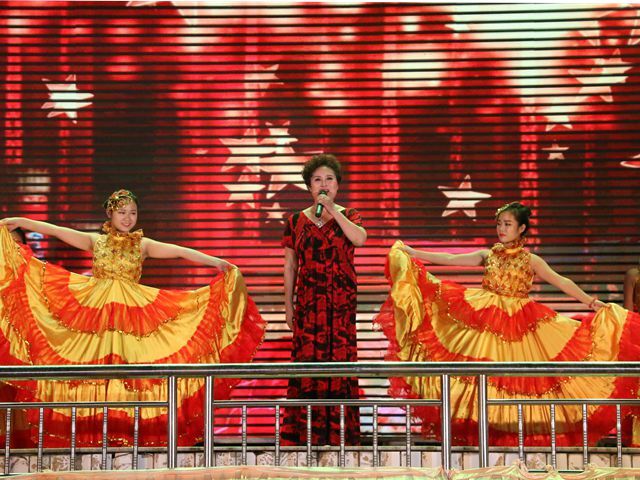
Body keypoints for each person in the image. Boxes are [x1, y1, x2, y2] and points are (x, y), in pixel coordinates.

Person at [0, 189, 267, 447]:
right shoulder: (95, 241)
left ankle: (129, 432)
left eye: (132, 213)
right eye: (122, 212)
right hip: (97, 315)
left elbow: (180, 251)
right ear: (110, 214)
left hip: (133, 316)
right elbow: (56, 231)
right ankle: (93, 430)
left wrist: (217, 262)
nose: (127, 218)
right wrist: (21, 221)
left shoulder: (143, 245)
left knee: (129, 375)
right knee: (94, 372)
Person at [375, 201, 640, 447]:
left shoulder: (530, 260)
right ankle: (486, 436)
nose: (502, 229)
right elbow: (451, 259)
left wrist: (591, 302)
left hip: (521, 325)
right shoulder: (488, 254)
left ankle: (518, 437)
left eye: (508, 224)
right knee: (481, 376)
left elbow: (561, 281)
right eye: (499, 223)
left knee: (520, 380)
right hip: (484, 321)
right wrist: (413, 253)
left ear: (521, 228)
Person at [282, 154, 366, 446]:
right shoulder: (295, 221)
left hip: (340, 304)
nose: (324, 184)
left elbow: (359, 239)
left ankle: (340, 433)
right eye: (317, 179)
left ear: (337, 185)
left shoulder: (350, 215)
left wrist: (332, 211)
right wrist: (288, 305)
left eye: (329, 179)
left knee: (340, 362)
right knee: (308, 363)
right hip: (308, 303)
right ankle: (306, 433)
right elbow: (290, 266)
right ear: (309, 186)